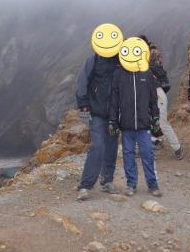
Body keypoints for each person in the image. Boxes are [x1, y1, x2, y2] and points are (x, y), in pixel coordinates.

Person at [75, 23, 124, 201]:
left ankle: (107, 181)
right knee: (98, 146)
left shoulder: (122, 60)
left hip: (115, 114)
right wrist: (84, 106)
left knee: (111, 146)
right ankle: (85, 186)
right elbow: (81, 83)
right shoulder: (93, 60)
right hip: (96, 112)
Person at [110, 37, 162, 197]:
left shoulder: (146, 72)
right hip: (126, 124)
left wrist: (155, 118)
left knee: (147, 153)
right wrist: (113, 120)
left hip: (144, 123)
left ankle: (152, 184)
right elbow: (114, 99)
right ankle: (131, 184)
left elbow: (153, 99)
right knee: (128, 154)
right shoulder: (118, 73)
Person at [138, 35, 184, 160]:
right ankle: (154, 141)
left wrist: (146, 69)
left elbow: (159, 70)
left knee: (162, 121)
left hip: (157, 92)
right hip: (146, 93)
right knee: (145, 120)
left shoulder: (152, 53)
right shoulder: (139, 55)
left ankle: (177, 147)